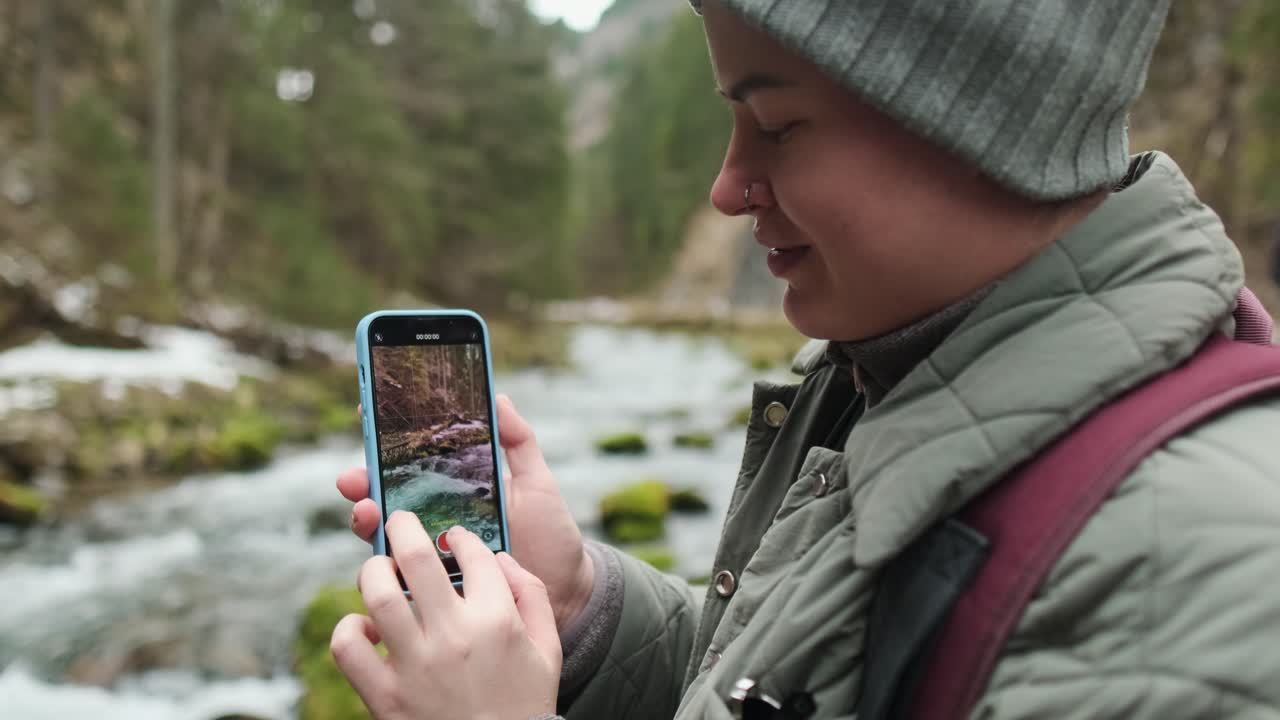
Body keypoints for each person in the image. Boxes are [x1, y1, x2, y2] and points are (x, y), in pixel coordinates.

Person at [330, 0, 1280, 717]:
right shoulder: (885, 376)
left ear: (978, 122)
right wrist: (580, 609)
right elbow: (790, 684)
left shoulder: (1186, 582)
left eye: (777, 125)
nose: (726, 187)